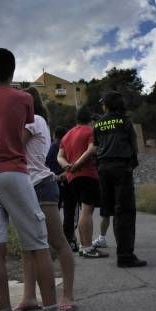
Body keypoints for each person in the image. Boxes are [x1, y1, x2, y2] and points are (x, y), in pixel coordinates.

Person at [0, 48, 80, 311]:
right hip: (16, 174)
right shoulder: (24, 99)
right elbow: (23, 133)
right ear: (13, 69)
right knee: (38, 245)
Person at [14, 87, 77, 311]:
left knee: (58, 242)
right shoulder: (31, 121)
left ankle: (67, 294)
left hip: (41, 186)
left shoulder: (34, 120)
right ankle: (29, 297)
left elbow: (14, 147)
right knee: (27, 248)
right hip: (26, 187)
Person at [81, 91, 147, 268]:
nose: (102, 106)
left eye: (104, 103)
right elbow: (134, 145)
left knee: (111, 211)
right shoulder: (125, 121)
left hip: (103, 170)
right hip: (121, 169)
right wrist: (131, 165)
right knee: (124, 212)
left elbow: (95, 147)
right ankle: (125, 256)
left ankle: (123, 254)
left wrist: (99, 165)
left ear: (108, 104)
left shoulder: (99, 123)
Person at [59, 106, 107, 257]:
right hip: (87, 174)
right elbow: (92, 149)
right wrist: (77, 165)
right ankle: (87, 247)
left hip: (71, 178)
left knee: (82, 211)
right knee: (87, 211)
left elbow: (59, 156)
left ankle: (82, 246)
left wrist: (67, 166)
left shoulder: (66, 135)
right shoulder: (90, 131)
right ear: (90, 119)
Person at [47, 126, 78, 252]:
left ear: (54, 135)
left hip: (54, 181)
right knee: (70, 212)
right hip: (68, 180)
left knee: (55, 211)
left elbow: (47, 163)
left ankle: (55, 241)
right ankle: (69, 240)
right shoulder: (68, 144)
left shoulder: (52, 146)